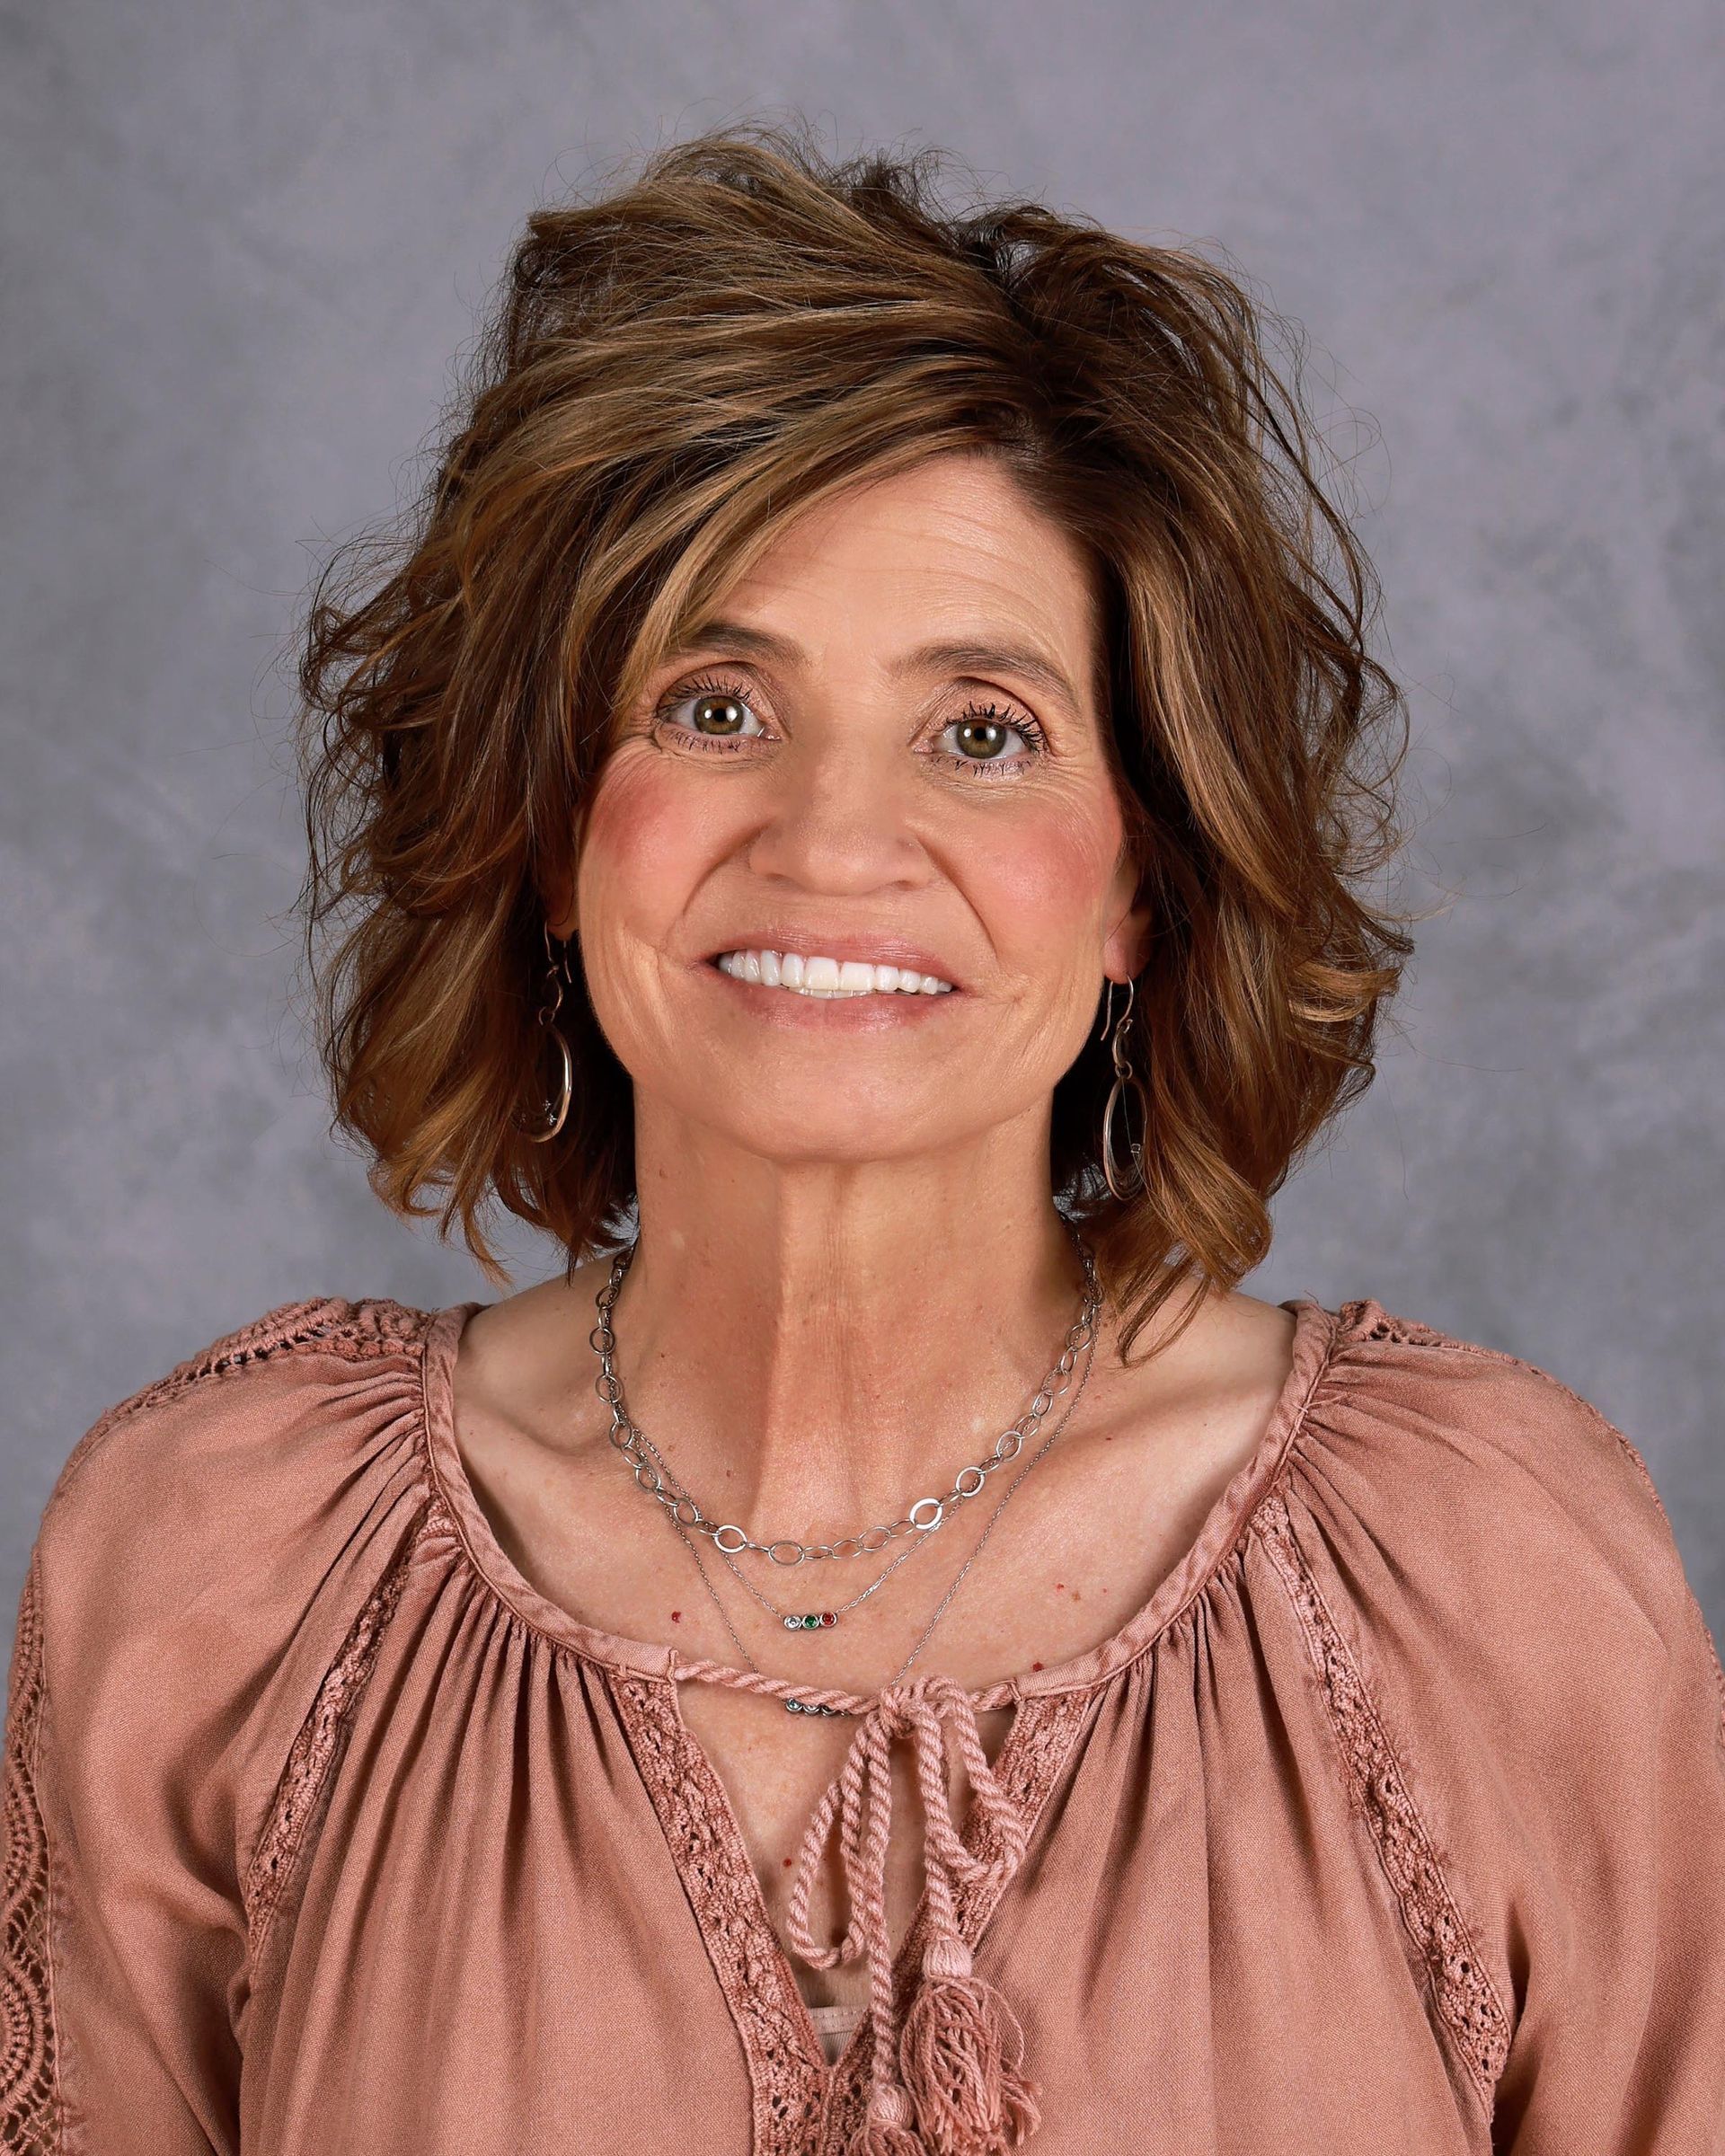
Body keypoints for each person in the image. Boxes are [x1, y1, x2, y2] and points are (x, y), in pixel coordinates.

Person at [4, 120, 1723, 2156]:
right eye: (715, 706)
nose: (833, 843)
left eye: (983, 731)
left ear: (1142, 882)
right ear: (550, 831)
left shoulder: (1485, 1579)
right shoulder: (221, 1578)